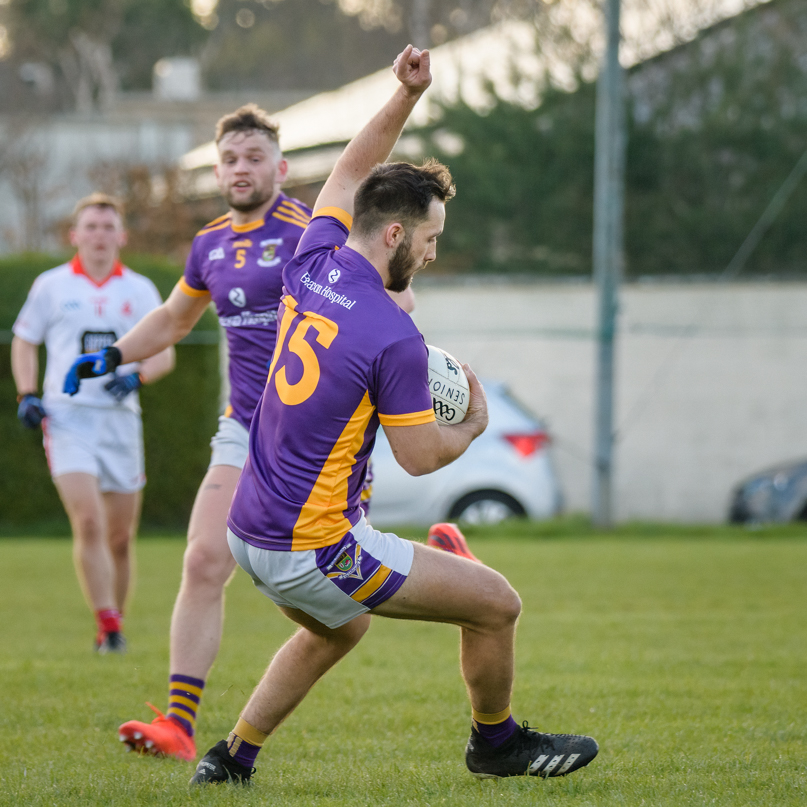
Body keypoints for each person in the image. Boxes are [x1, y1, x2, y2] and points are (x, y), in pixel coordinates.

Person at [189, 45, 598, 786]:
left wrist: (405, 95)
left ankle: (230, 756)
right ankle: (496, 742)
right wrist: (470, 427)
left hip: (248, 531)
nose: (434, 253)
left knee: (340, 628)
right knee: (496, 604)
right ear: (394, 235)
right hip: (315, 546)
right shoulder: (393, 336)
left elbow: (348, 171)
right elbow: (418, 456)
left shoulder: (311, 260)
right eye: (432, 238)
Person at [63, 105, 473, 761]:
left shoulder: (306, 230)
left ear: (279, 168)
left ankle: (447, 569)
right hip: (245, 428)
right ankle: (179, 722)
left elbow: (392, 292)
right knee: (203, 560)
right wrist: (115, 354)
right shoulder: (210, 244)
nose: (240, 169)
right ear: (217, 167)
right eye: (229, 159)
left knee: (345, 602)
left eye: (254, 157)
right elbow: (171, 320)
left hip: (317, 430)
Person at [12, 193, 175, 654]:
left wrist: (136, 378)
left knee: (120, 538)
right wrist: (26, 394)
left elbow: (165, 352)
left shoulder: (139, 289)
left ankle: (113, 623)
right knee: (88, 522)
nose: (99, 235)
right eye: (91, 227)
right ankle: (109, 627)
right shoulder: (51, 285)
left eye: (108, 227)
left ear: (121, 236)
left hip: (121, 423)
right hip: (68, 419)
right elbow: (25, 342)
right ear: (75, 235)